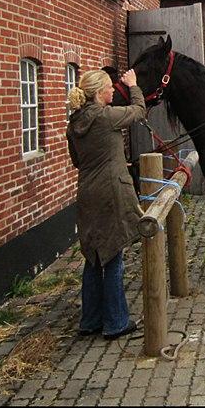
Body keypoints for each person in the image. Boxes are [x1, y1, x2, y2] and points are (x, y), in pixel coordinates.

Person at [66, 69, 146, 340]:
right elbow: (138, 112)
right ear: (99, 92)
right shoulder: (104, 117)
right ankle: (116, 322)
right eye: (110, 87)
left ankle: (90, 320)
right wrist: (133, 85)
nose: (114, 90)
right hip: (110, 192)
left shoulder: (74, 121)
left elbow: (78, 161)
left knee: (93, 257)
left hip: (87, 192)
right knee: (112, 255)